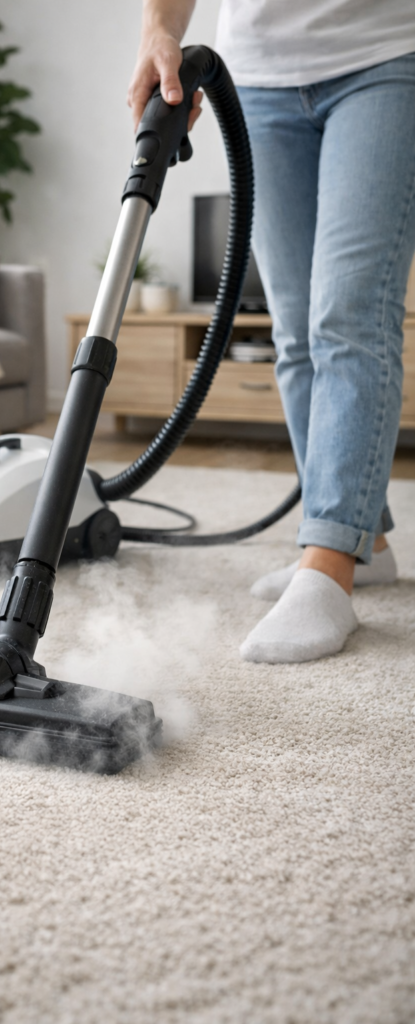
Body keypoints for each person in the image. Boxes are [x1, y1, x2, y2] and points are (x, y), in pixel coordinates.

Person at [129, 0, 415, 664]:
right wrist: (159, 31)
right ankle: (364, 540)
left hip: (385, 51)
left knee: (349, 317)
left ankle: (328, 564)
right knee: (292, 331)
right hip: (258, 75)